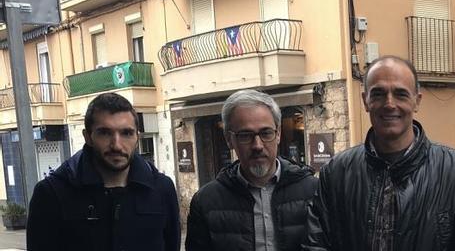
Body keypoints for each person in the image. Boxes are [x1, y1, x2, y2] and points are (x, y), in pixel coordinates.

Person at [305, 55, 455, 251]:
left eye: (400, 94)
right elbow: (317, 244)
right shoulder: (336, 172)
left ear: (417, 101)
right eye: (378, 94)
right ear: (365, 101)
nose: (389, 104)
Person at [27, 92, 180, 251]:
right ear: (88, 137)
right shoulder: (51, 193)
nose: (117, 145)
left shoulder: (162, 188)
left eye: (126, 133)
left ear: (137, 138)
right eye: (105, 133)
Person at [186, 89, 318, 250]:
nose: (257, 145)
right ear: (229, 139)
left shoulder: (315, 192)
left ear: (278, 134)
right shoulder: (206, 202)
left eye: (266, 133)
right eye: (245, 135)